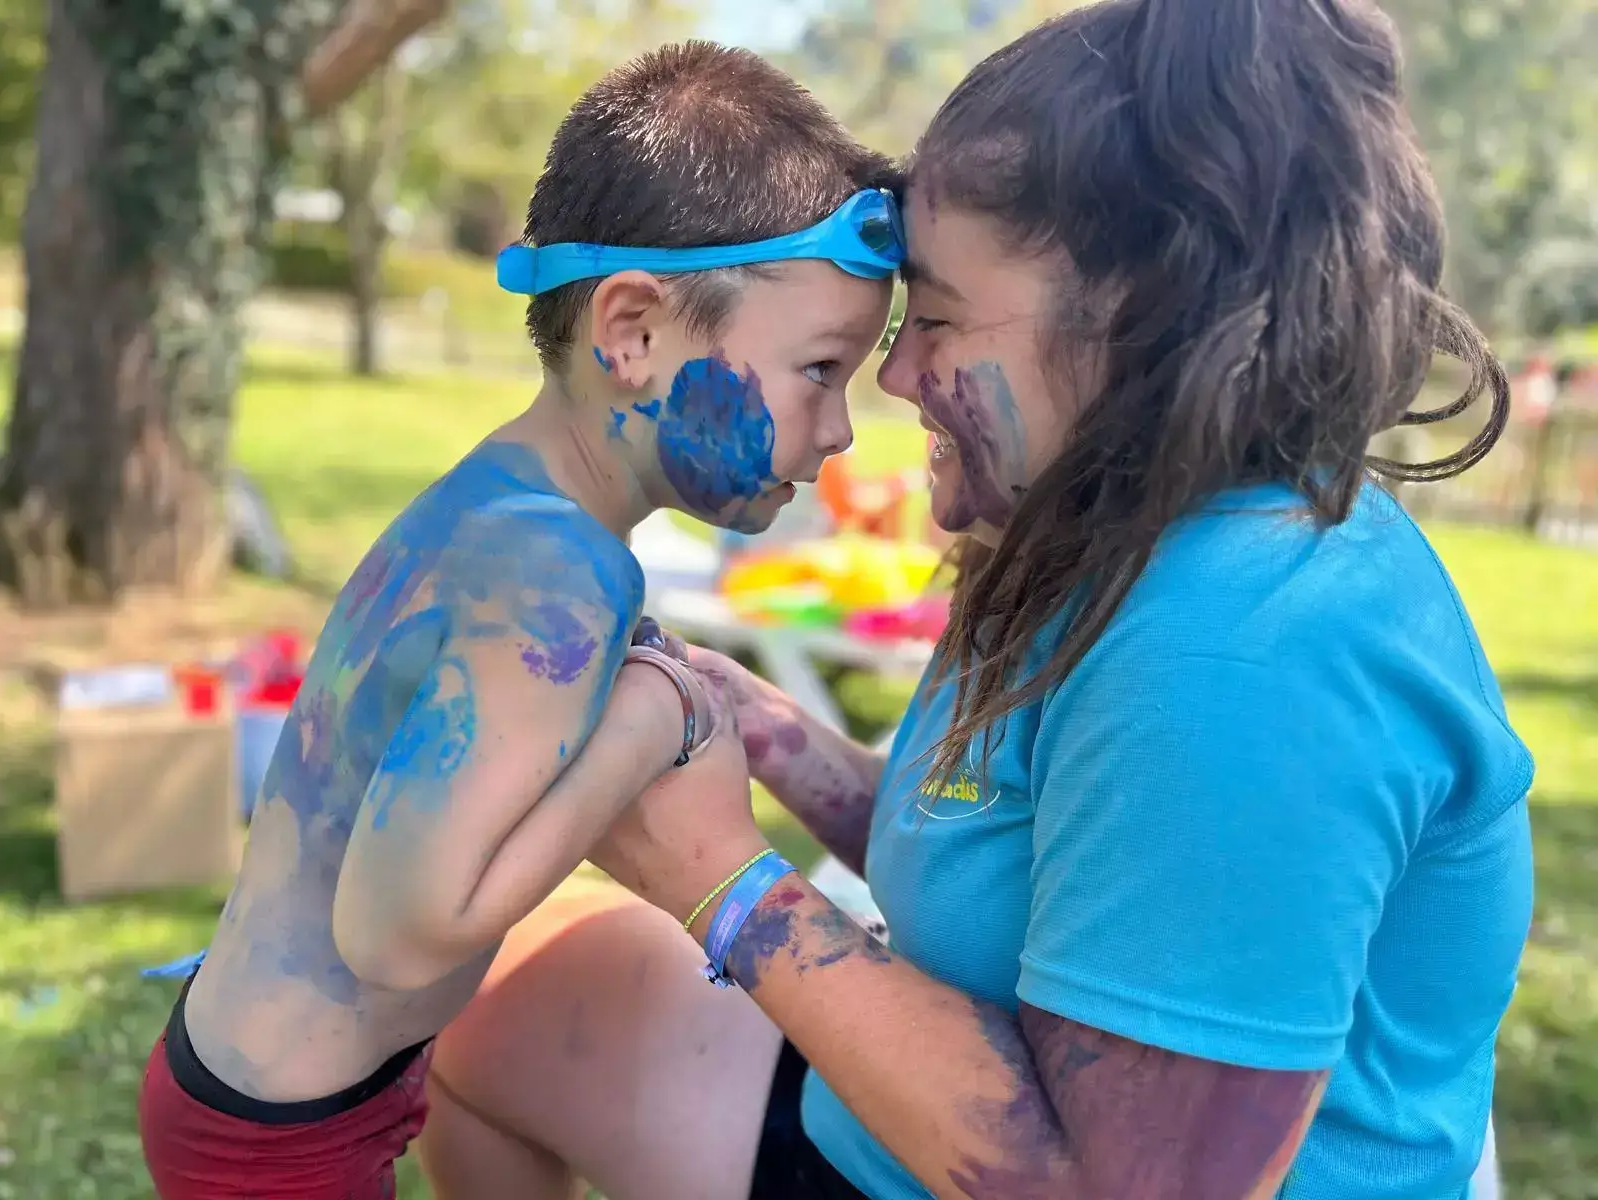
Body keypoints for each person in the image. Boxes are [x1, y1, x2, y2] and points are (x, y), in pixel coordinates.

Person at [415, 3, 1534, 1199]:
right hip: (919, 1127)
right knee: (480, 1013)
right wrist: (762, 729)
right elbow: (1015, 863)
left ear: (1141, 326)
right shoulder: (1107, 531)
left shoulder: (1246, 652)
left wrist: (722, 881)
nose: (895, 374)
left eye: (938, 319)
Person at [135, 40, 902, 1200]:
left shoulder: (503, 504)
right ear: (633, 332)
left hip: (264, 1085)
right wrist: (649, 726)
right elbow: (398, 934)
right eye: (820, 369)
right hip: (280, 1143)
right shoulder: (556, 573)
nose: (839, 429)